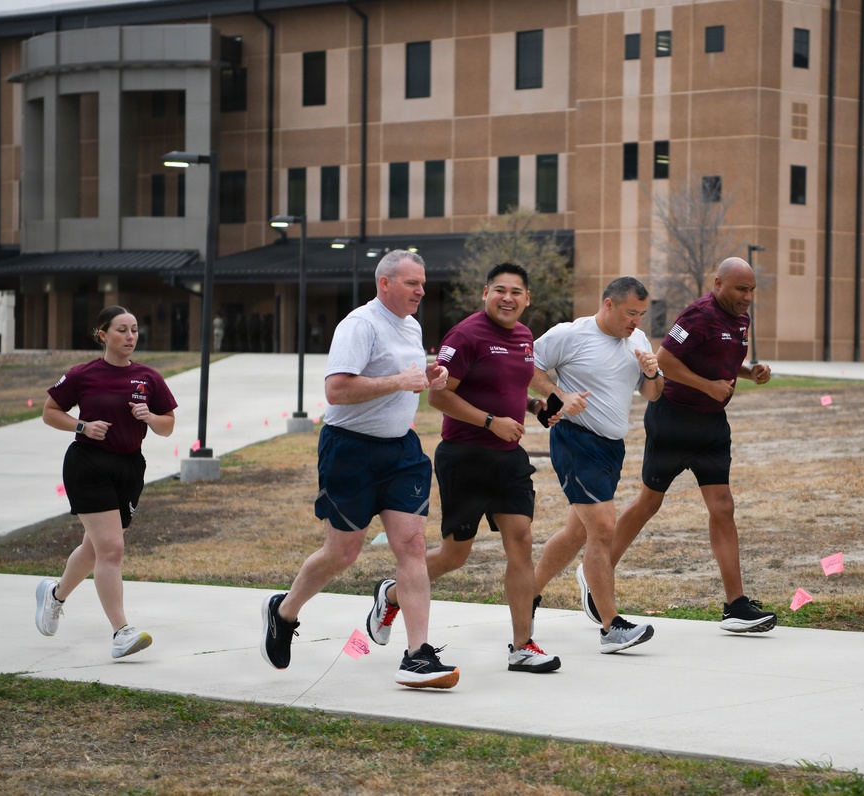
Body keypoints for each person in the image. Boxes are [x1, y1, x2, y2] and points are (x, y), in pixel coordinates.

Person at [261, 250, 460, 690]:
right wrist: (400, 381)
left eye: (423, 283)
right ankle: (284, 612)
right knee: (342, 553)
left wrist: (428, 376)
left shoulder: (411, 325)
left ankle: (418, 655)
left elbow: (404, 376)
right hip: (349, 450)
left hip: (402, 450)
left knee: (411, 545)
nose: (422, 291)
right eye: (412, 283)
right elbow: (336, 390)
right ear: (385, 283)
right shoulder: (359, 325)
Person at [366, 263, 561, 674]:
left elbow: (506, 387)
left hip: (509, 458)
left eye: (516, 292)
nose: (508, 298)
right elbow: (440, 398)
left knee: (521, 542)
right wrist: (492, 422)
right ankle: (393, 593)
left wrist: (534, 407)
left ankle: (522, 646)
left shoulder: (524, 337)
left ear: (527, 299)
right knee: (456, 555)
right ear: (485, 293)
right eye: (500, 290)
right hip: (466, 455)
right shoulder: (466, 335)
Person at [609, 257, 777, 633]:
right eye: (740, 289)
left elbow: (721, 362)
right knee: (649, 502)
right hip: (674, 420)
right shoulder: (698, 315)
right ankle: (598, 571)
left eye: (751, 290)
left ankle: (735, 605)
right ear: (718, 283)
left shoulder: (741, 318)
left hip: (712, 427)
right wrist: (708, 387)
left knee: (723, 507)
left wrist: (750, 373)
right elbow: (666, 360)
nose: (747, 297)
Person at [529, 277, 664, 653]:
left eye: (641, 314)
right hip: (576, 441)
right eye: (630, 313)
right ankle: (611, 627)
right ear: (608, 305)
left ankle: (527, 595)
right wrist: (559, 395)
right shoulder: (570, 335)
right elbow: (527, 367)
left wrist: (653, 373)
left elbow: (652, 394)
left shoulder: (636, 341)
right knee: (603, 529)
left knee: (577, 534)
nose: (636, 321)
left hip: (611, 449)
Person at [36, 306, 177, 658]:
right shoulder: (83, 375)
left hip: (130, 468)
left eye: (134, 330)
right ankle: (121, 632)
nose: (130, 337)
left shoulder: (149, 378)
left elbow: (168, 425)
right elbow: (49, 412)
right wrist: (82, 426)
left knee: (94, 549)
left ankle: (54, 597)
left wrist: (150, 416)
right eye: (122, 330)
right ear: (103, 335)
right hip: (88, 464)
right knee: (112, 549)